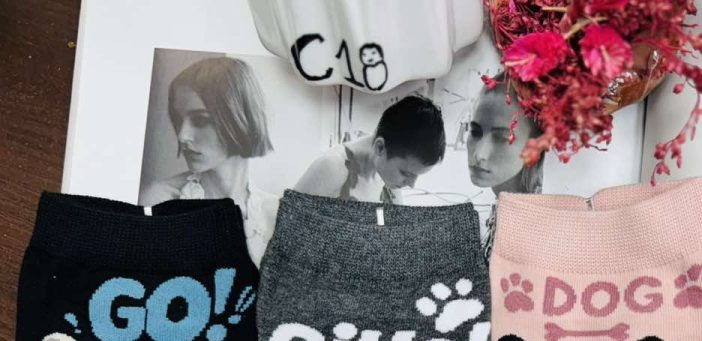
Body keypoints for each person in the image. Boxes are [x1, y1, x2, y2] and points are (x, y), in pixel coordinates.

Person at [140, 56, 278, 263]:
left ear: (239, 117)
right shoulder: (160, 200)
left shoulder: (274, 214)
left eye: (200, 120)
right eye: (178, 120)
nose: (182, 136)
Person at [294, 94, 446, 203]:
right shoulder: (333, 168)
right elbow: (286, 229)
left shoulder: (390, 185)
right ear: (380, 147)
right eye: (405, 173)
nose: (412, 185)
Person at [466, 73, 544, 254]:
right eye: (475, 132)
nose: (479, 154)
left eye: (502, 138)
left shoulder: (532, 226)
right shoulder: (505, 204)